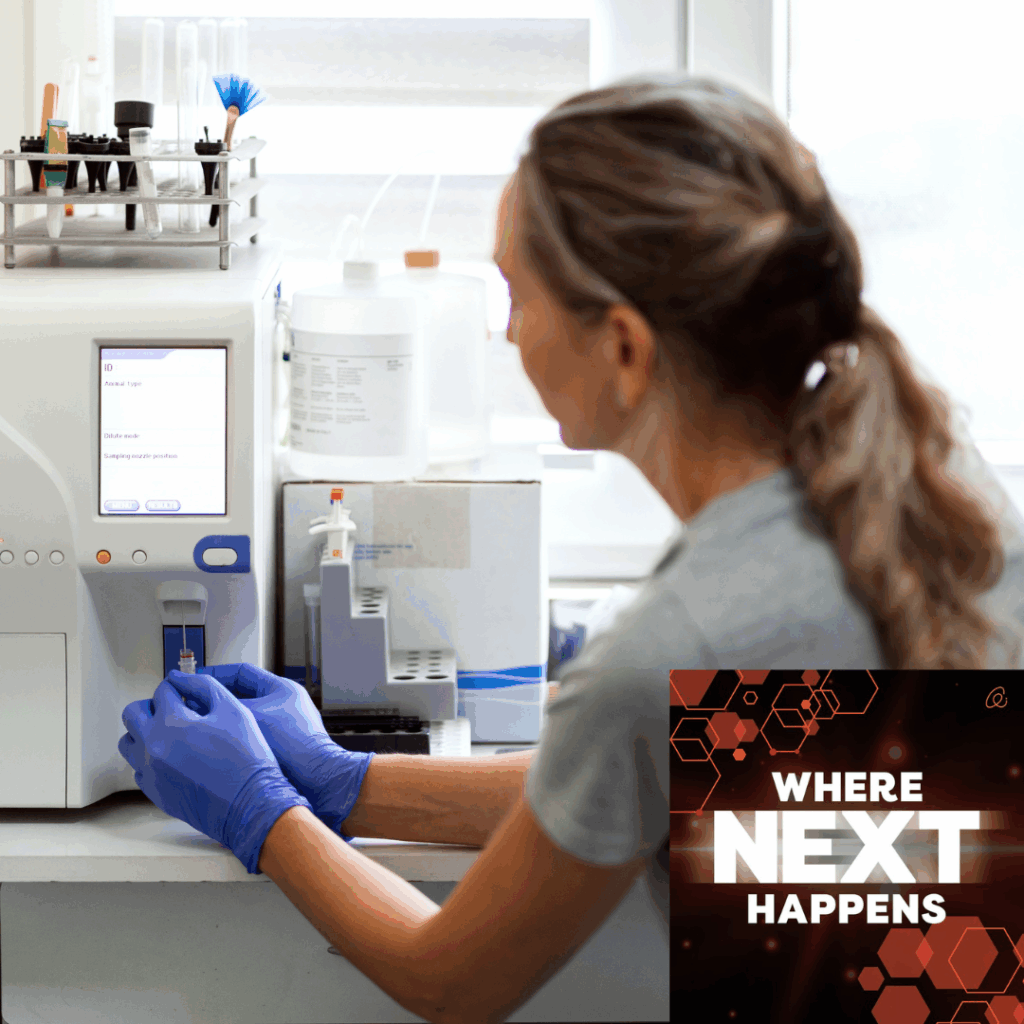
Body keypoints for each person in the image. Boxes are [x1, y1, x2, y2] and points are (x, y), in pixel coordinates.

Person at [119, 72, 1024, 1024]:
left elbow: (450, 978)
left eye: (517, 294)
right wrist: (346, 782)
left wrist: (264, 814)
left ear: (624, 348)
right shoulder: (934, 486)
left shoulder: (674, 646)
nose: (505, 332)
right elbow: (664, 775)